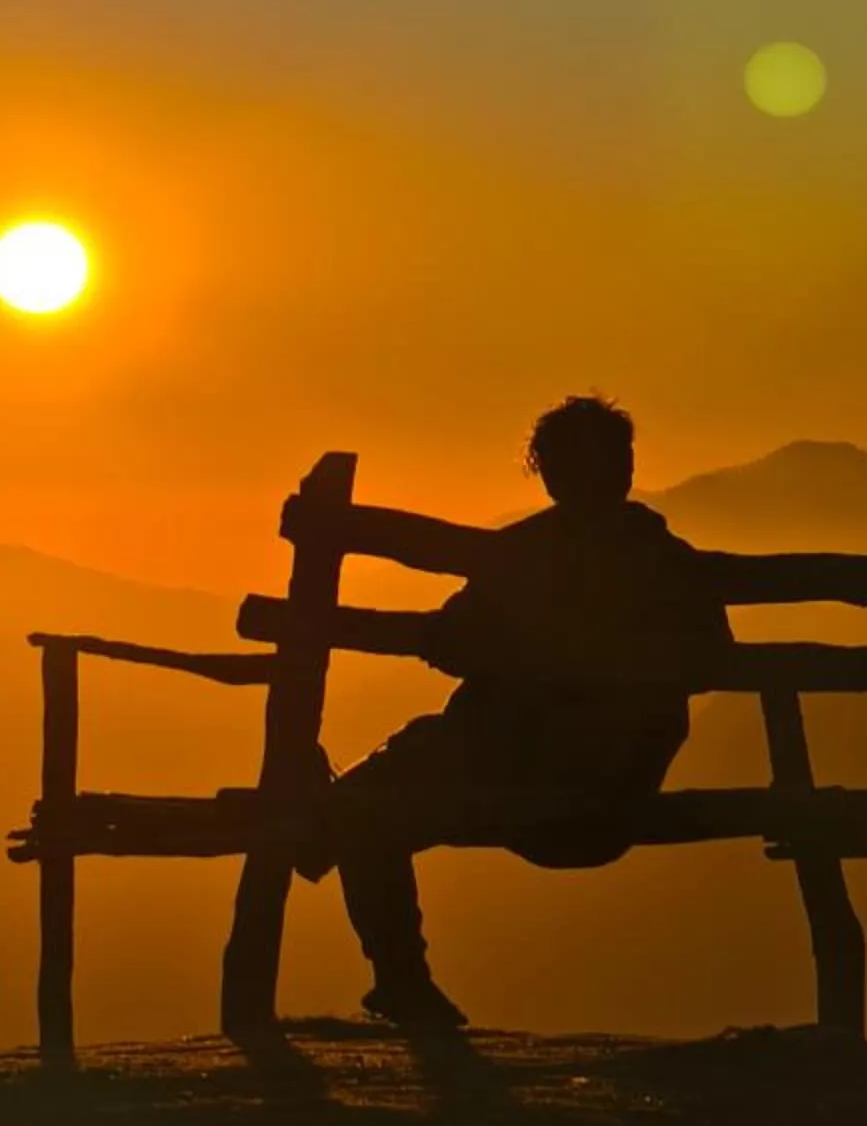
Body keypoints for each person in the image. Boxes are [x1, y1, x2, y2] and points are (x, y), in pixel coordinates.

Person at [310, 395, 731, 1030]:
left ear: (550, 473)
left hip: (521, 774)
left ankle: (394, 965)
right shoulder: (670, 560)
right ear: (625, 467)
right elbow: (712, 662)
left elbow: (449, 641)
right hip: (621, 788)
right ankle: (325, 823)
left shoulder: (523, 556)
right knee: (412, 758)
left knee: (375, 804)